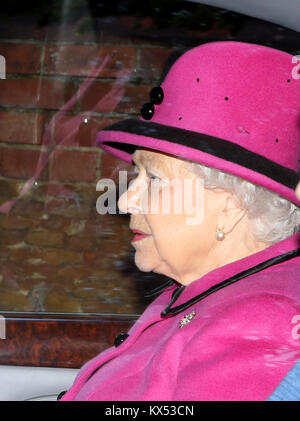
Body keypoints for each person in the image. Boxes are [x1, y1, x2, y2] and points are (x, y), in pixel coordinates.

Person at [60, 41, 300, 401]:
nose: (125, 200)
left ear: (232, 205)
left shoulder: (264, 321)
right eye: (135, 176)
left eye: (154, 179)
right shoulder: (202, 288)